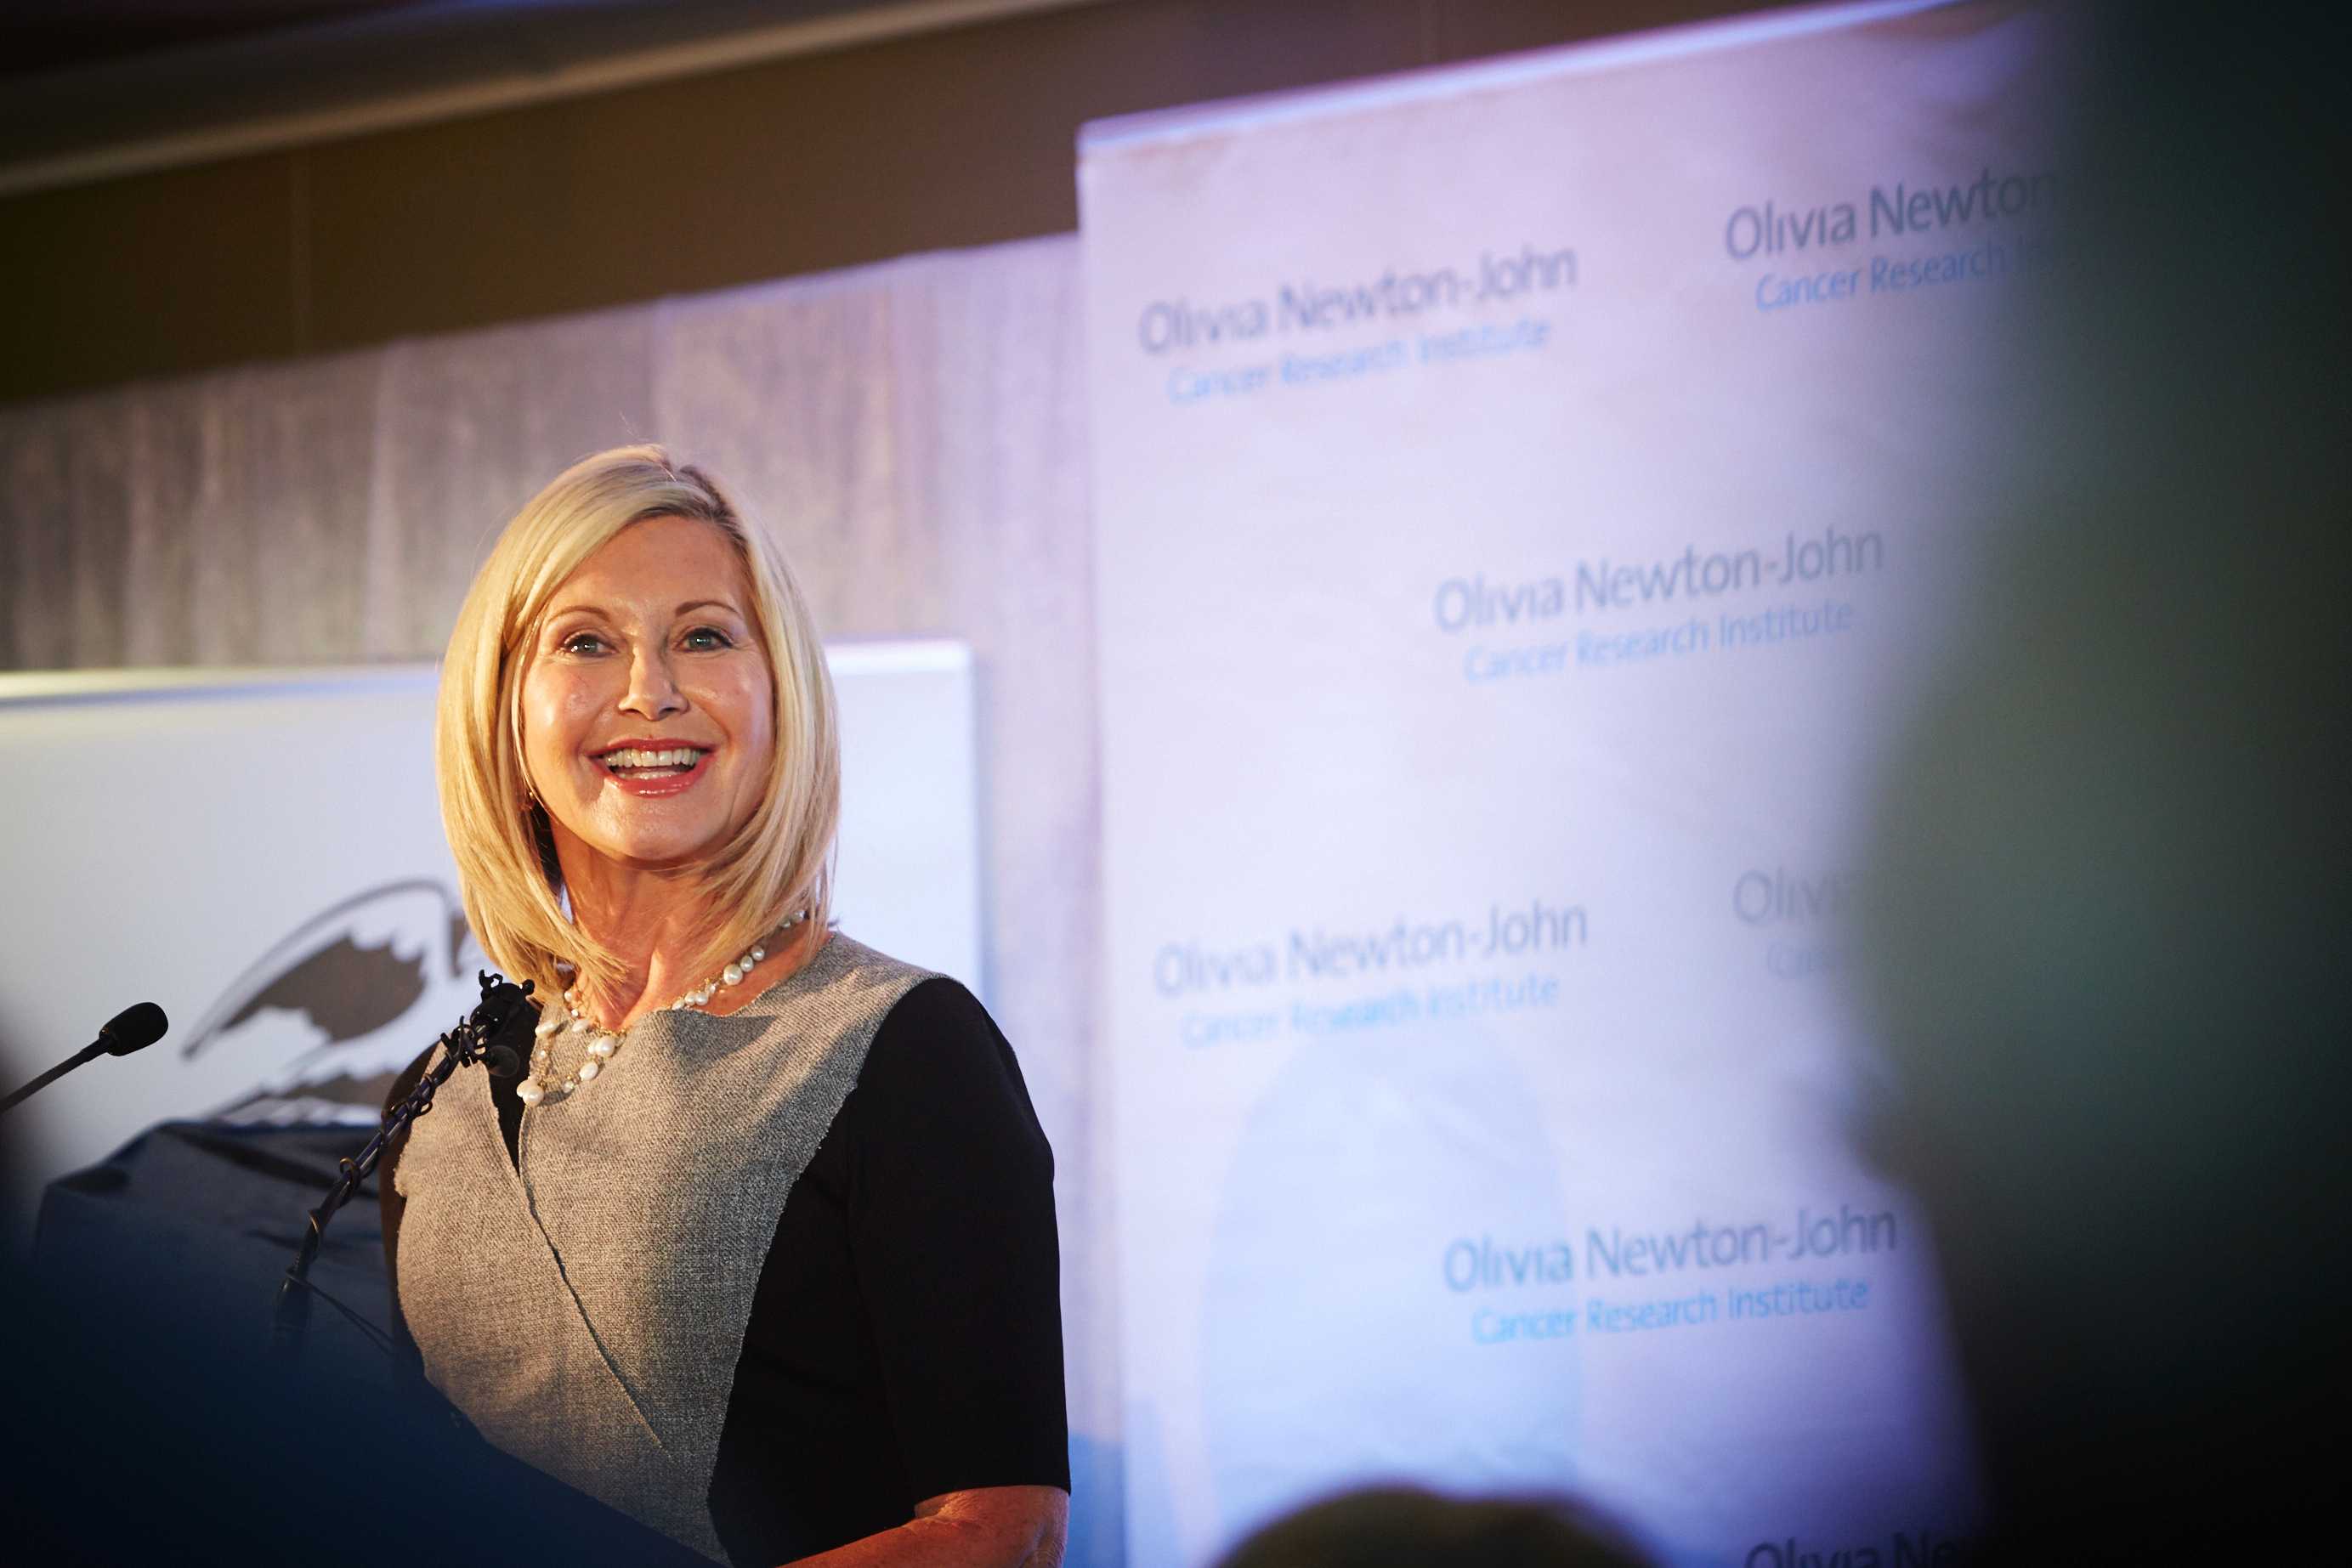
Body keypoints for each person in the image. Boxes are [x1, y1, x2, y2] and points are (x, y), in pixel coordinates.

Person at [378, 444, 1069, 1567]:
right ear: (501, 709)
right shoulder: (442, 1091)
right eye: (587, 640)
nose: (650, 689)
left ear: (777, 694)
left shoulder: (906, 1050)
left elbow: (1006, 1533)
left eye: (703, 634)